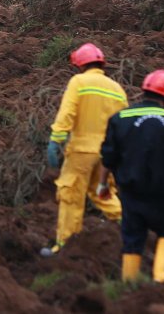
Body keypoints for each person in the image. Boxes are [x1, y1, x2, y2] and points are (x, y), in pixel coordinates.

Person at [99, 70, 164, 284]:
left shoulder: (121, 118)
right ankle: (159, 280)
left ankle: (129, 285)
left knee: (132, 237)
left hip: (131, 191)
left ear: (144, 90)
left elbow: (108, 157)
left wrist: (102, 184)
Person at [41, 43, 127, 257]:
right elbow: (123, 125)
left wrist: (56, 140)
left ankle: (65, 246)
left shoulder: (79, 82)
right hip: (106, 154)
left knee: (71, 195)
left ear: (80, 65)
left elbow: (68, 113)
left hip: (82, 150)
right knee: (103, 193)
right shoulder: (117, 89)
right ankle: (131, 226)